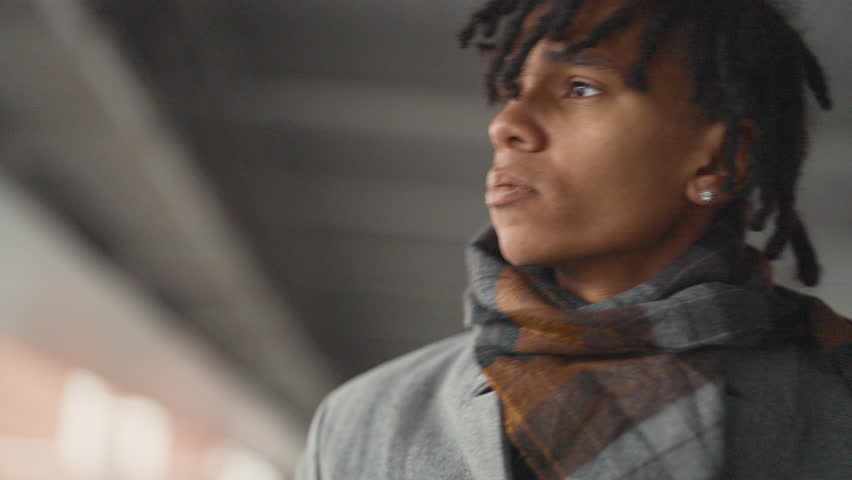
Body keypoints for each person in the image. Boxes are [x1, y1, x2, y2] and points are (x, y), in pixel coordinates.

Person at [295, 0, 852, 478]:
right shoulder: (365, 418)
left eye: (580, 87)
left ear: (721, 159)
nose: (506, 123)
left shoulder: (833, 401)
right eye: (513, 90)